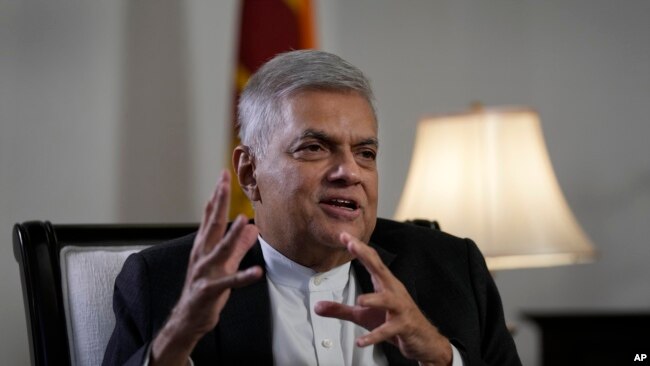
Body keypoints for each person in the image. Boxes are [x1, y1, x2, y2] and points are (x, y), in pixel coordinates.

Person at [103, 50, 521, 366]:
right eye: (314, 148)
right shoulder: (164, 281)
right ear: (249, 172)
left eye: (365, 152)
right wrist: (180, 336)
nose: (348, 172)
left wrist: (440, 356)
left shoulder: (451, 267)